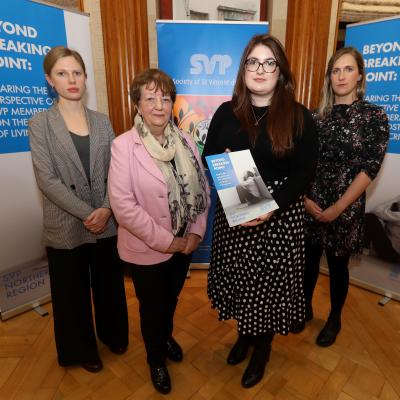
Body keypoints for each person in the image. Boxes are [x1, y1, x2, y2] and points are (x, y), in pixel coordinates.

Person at [202, 34, 318, 388]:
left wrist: (271, 208)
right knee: (241, 281)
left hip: (279, 220)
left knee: (266, 289)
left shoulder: (299, 117)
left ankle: (262, 347)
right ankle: (244, 335)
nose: (261, 69)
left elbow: (305, 172)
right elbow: (210, 156)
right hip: (236, 213)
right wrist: (223, 168)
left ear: (280, 71)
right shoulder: (226, 112)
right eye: (253, 61)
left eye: (269, 62)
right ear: (244, 69)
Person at [108, 69, 209, 394]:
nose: (158, 105)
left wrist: (194, 233)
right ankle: (156, 360)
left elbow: (201, 189)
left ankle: (165, 336)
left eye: (165, 98)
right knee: (151, 307)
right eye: (150, 98)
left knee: (170, 299)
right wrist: (169, 242)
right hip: (148, 248)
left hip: (184, 244)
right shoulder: (123, 146)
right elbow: (123, 206)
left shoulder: (187, 142)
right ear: (137, 104)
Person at [28, 46, 129, 373]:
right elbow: (47, 179)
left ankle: (114, 335)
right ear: (49, 80)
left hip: (106, 219)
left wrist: (105, 209)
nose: (71, 80)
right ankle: (81, 349)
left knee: (110, 285)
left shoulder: (102, 121)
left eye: (76, 73)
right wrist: (88, 213)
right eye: (62, 73)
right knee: (71, 293)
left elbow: (117, 170)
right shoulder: (40, 124)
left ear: (85, 78)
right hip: (66, 223)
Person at [299, 47, 389, 346]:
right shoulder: (313, 117)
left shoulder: (374, 116)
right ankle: (304, 307)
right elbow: (301, 162)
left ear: (360, 75)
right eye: (336, 70)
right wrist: (304, 200)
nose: (341, 76)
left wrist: (338, 207)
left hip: (346, 208)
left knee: (338, 267)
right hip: (311, 204)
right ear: (329, 77)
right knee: (308, 261)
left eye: (348, 69)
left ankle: (334, 317)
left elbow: (369, 168)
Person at [364, 195, 400, 263]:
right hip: (393, 252)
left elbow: (376, 210)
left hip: (393, 254)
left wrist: (396, 199)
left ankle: (366, 248)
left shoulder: (398, 216)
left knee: (370, 218)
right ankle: (367, 248)